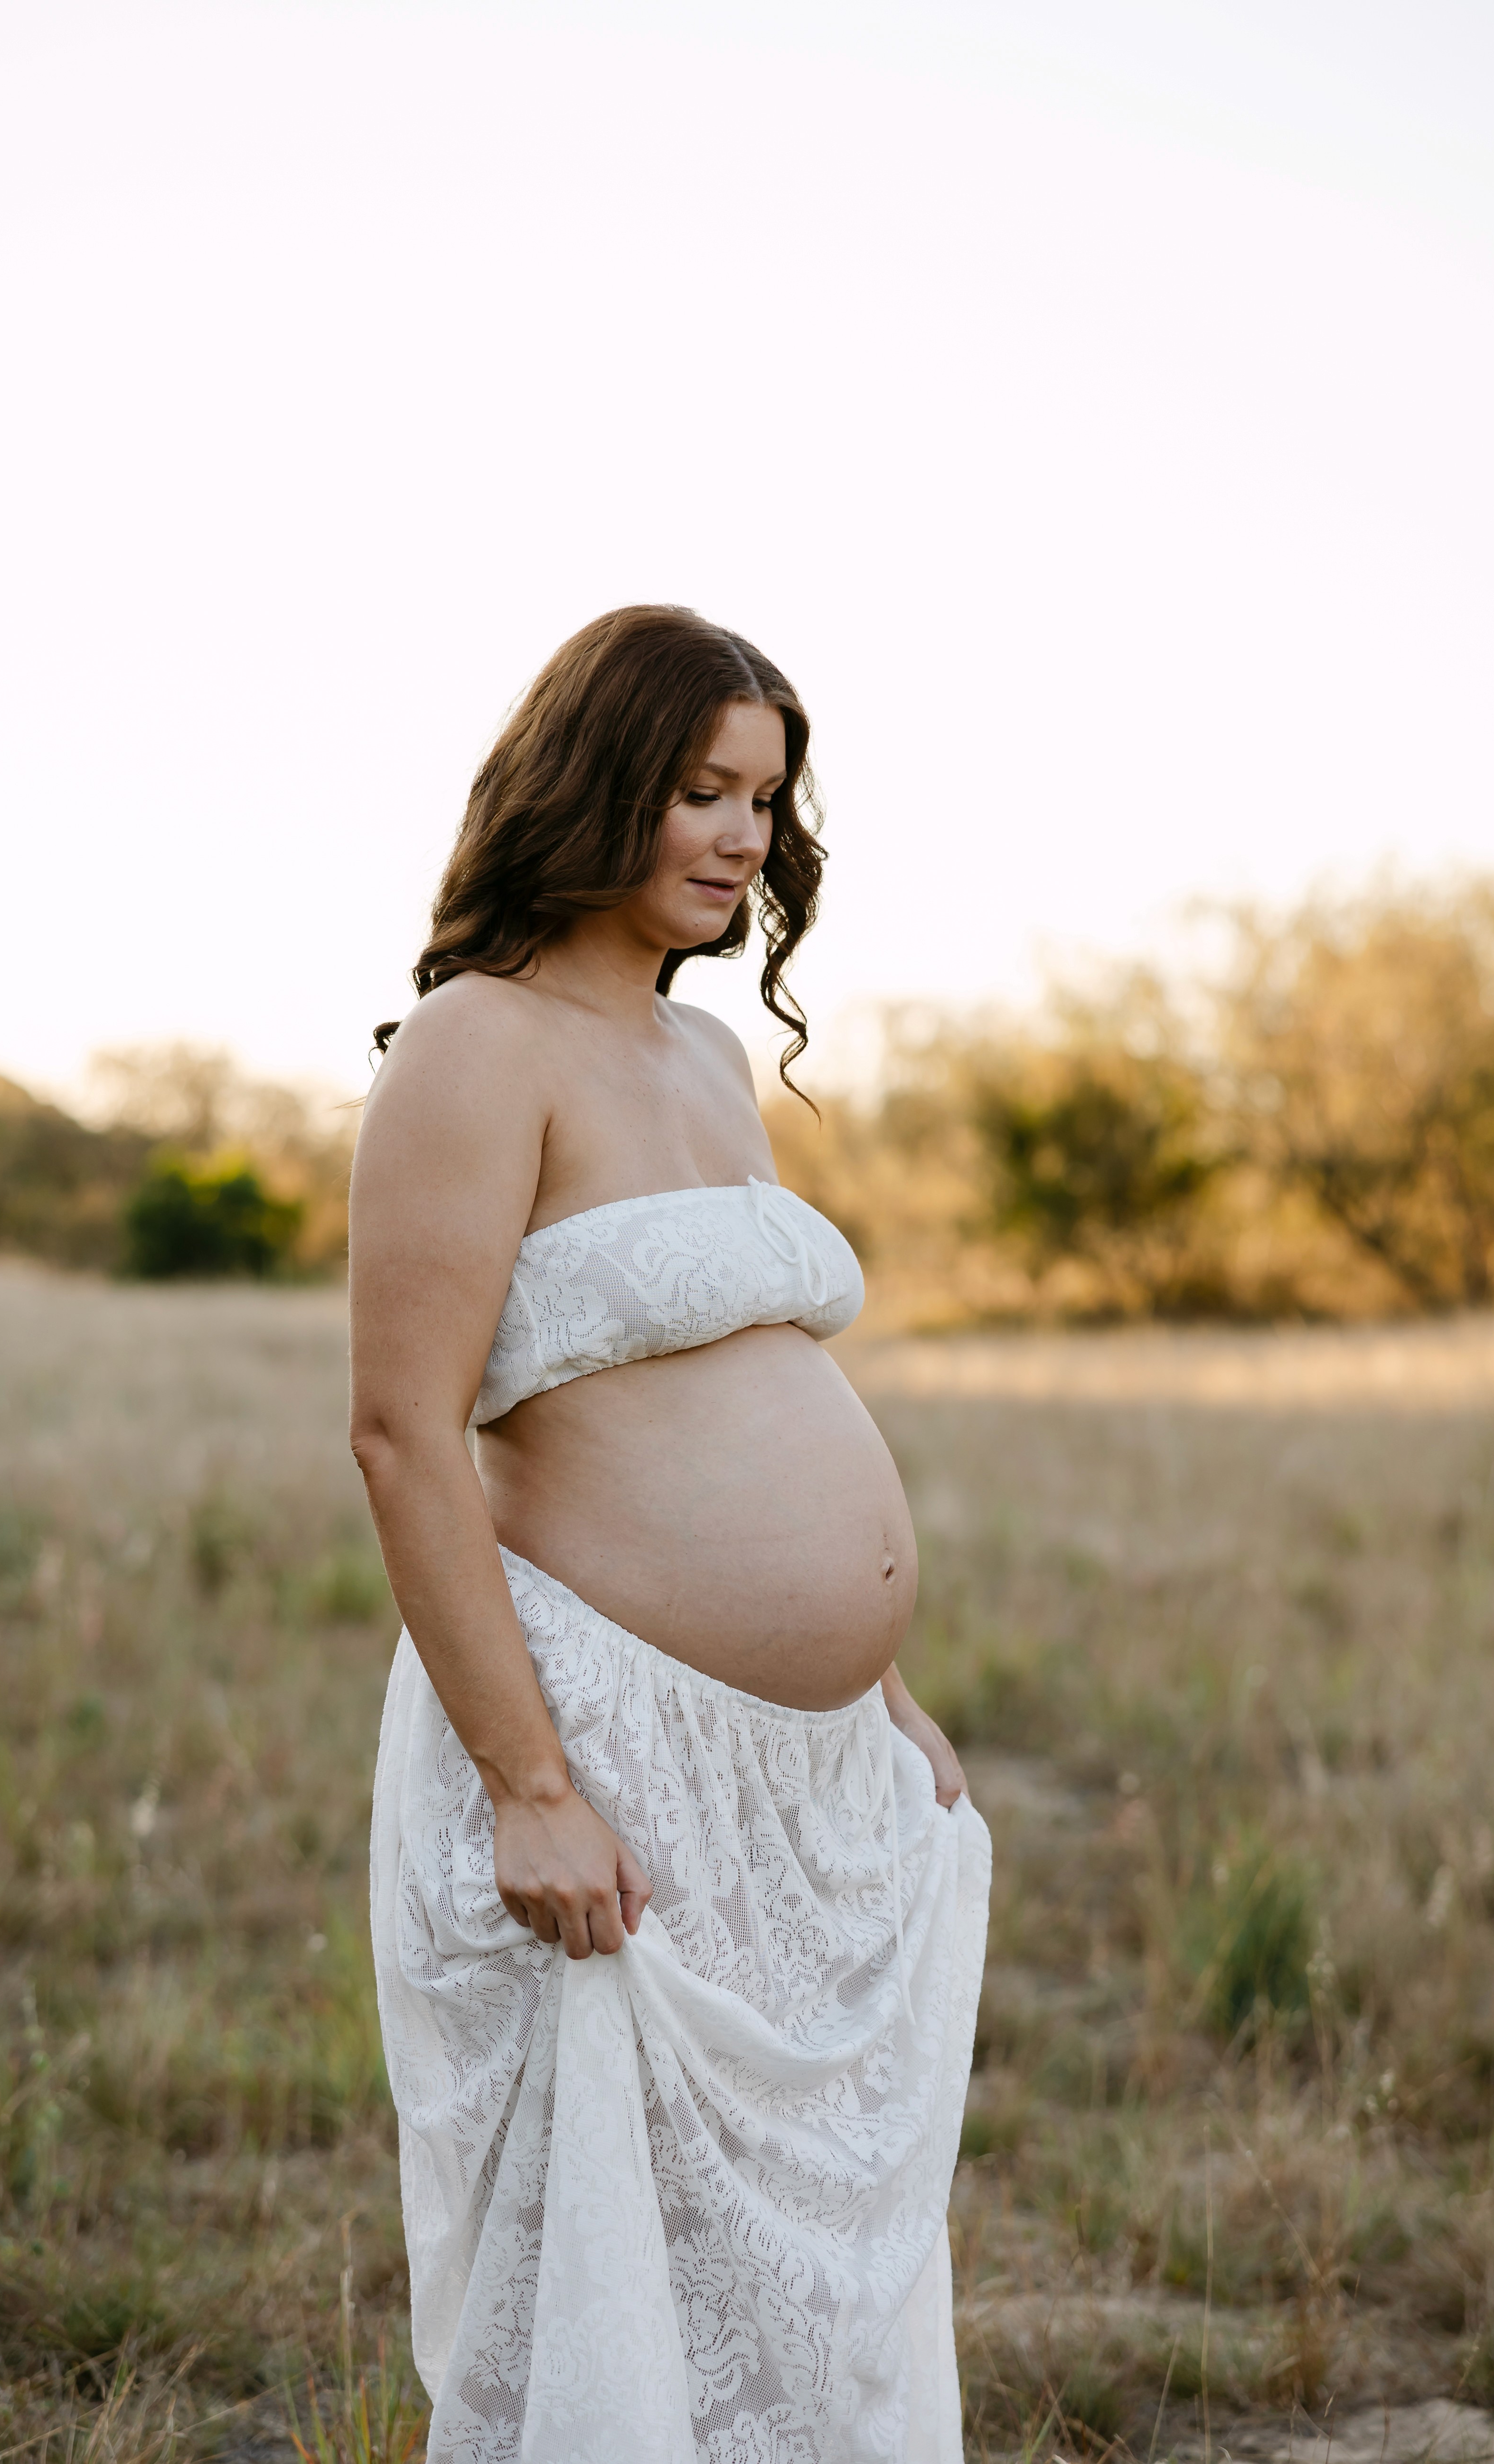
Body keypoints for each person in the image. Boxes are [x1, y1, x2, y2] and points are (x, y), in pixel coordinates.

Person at [349, 605, 990, 2464]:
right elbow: (403, 1434)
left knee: (791, 2283)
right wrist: (527, 1782)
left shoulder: (708, 1064)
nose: (737, 835)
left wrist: (877, 1684)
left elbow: (754, 1374)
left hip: (791, 1754)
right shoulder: (480, 1045)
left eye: (762, 799)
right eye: (698, 789)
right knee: (614, 2266)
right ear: (593, 780)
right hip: (604, 1731)